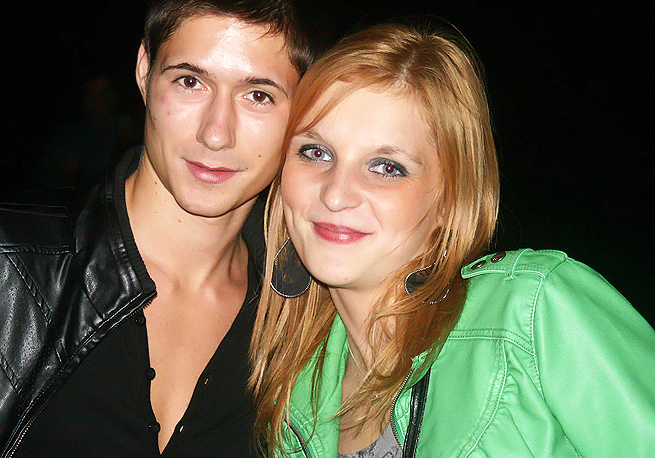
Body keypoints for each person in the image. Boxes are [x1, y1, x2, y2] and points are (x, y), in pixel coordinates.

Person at [0, 0, 332, 456]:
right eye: (190, 82)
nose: (216, 133)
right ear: (145, 71)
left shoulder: (301, 316)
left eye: (258, 94)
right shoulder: (0, 269)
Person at [250, 23, 655, 457]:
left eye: (386, 167)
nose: (335, 194)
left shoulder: (532, 314)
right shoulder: (293, 406)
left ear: (449, 200)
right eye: (316, 153)